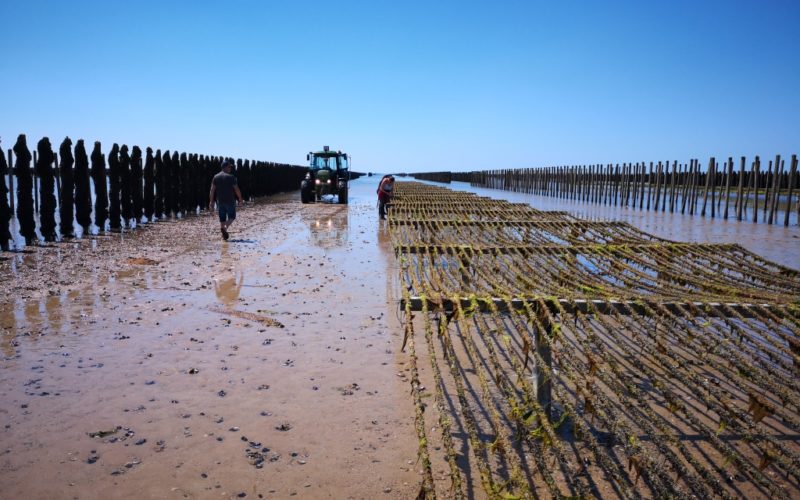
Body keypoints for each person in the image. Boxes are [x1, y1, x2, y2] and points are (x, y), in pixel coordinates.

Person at [209, 159, 244, 240]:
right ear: (225, 167)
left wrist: (211, 201)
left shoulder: (216, 177)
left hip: (220, 201)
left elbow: (212, 190)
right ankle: (225, 227)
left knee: (222, 218)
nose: (230, 169)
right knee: (232, 216)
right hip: (229, 200)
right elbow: (236, 189)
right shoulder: (231, 177)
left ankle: (223, 236)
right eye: (229, 167)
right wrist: (240, 199)